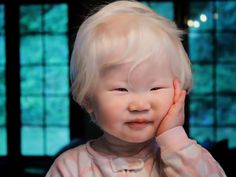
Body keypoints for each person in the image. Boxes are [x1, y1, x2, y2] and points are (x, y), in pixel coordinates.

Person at [45, 1, 226, 176]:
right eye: (122, 89)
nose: (140, 105)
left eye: (155, 88)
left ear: (177, 93)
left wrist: (174, 138)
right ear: (88, 98)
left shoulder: (190, 156)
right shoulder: (70, 167)